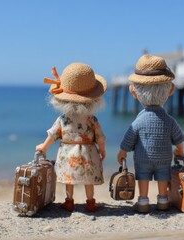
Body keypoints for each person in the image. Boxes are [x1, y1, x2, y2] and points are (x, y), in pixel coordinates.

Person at [117, 55, 184, 213]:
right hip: (164, 157)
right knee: (163, 176)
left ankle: (143, 201)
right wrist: (180, 151)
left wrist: (122, 152)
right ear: (171, 90)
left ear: (133, 92)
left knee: (143, 177)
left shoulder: (139, 121)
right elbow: (178, 138)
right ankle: (163, 200)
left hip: (143, 159)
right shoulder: (169, 120)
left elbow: (129, 137)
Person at [36, 63, 107, 212]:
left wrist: (43, 146)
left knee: (69, 178)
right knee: (88, 179)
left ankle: (69, 201)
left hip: (68, 153)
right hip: (88, 152)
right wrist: (102, 150)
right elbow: (100, 137)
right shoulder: (91, 119)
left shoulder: (63, 119)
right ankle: (90, 202)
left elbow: (53, 134)